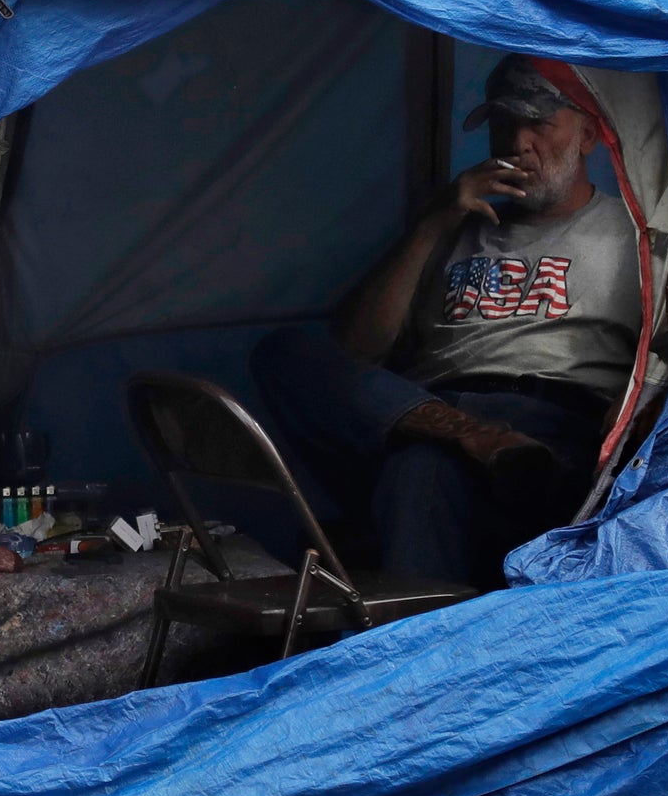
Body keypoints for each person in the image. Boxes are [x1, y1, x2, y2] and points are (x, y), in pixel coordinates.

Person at [250, 54, 642, 589]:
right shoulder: (450, 223)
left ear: (589, 136)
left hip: (547, 428)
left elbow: (667, 364)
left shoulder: (633, 236)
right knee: (282, 353)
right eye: (504, 123)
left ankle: (414, 656)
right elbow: (359, 348)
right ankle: (475, 437)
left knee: (421, 467)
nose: (517, 143)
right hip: (426, 414)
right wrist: (434, 221)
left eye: (538, 123)